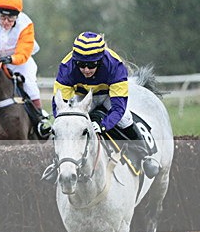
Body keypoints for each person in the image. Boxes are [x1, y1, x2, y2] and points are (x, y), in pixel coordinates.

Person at [44, 31, 160, 181]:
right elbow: (60, 106)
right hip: (83, 96)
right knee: (67, 125)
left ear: (100, 60)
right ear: (75, 60)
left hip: (108, 95)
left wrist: (103, 125)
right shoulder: (67, 67)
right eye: (81, 64)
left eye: (91, 65)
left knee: (125, 118)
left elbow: (119, 108)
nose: (86, 69)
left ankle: (144, 156)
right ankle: (57, 164)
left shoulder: (115, 65)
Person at [0, 0, 50, 136]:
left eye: (11, 19)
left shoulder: (26, 24)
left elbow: (24, 52)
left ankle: (39, 118)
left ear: (17, 17)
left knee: (29, 82)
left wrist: (12, 59)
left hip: (19, 60)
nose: (6, 22)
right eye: (3, 17)